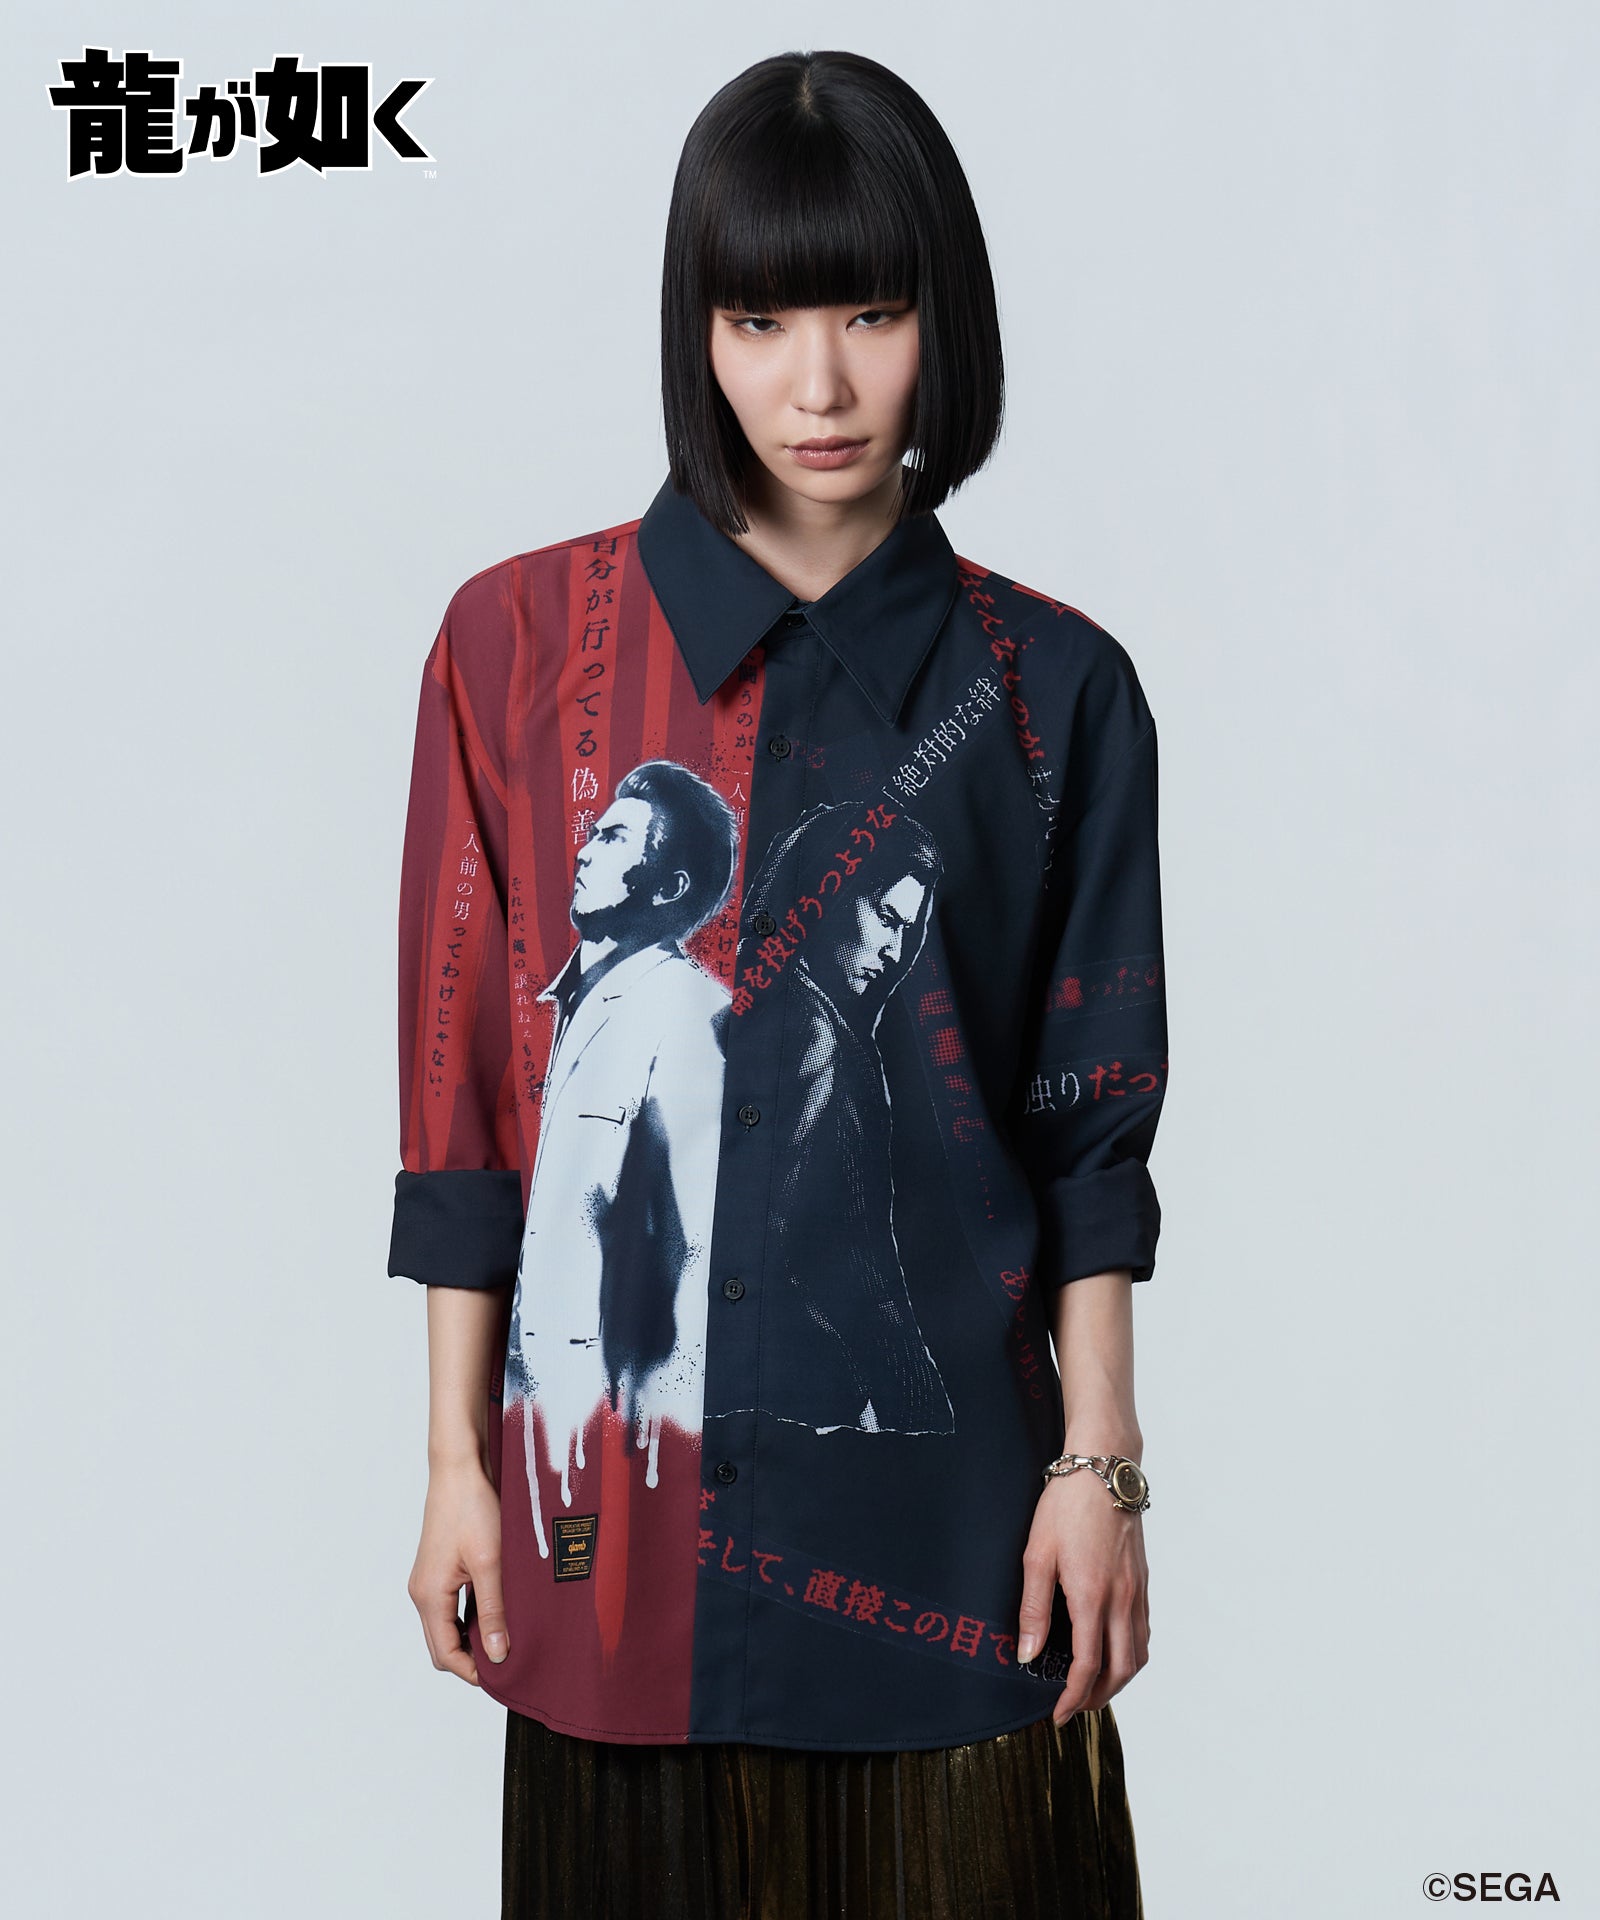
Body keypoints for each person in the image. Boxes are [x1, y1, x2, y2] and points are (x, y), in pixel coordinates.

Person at [388, 47, 1168, 1920]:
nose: (817, 386)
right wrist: (454, 1465)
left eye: (872, 314)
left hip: (951, 1536)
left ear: (944, 322)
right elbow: (465, 1115)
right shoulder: (511, 651)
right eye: (758, 321)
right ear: (697, 331)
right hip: (617, 1550)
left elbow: (1087, 1136)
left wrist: (1101, 1466)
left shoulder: (1057, 693)